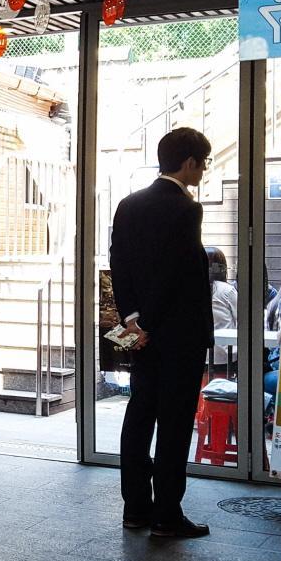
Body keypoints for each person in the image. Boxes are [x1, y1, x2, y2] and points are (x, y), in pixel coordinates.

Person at [109, 128, 215, 539]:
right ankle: (166, 515)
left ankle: (135, 508)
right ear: (188, 162)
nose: (203, 170)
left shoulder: (129, 204)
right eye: (203, 162)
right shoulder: (187, 210)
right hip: (178, 336)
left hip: (141, 335)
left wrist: (134, 321)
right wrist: (150, 322)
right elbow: (176, 276)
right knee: (173, 424)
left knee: (139, 414)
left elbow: (119, 265)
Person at [205, 246, 239, 376]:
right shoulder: (227, 290)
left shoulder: (190, 291)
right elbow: (241, 320)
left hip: (197, 355)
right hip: (226, 358)